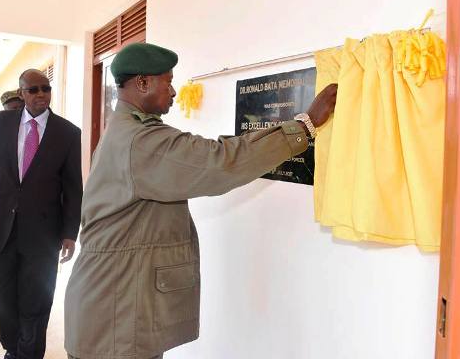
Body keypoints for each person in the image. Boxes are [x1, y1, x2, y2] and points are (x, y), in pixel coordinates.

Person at [64, 43, 338, 359]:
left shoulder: (126, 130)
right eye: (168, 81)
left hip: (115, 305)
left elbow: (212, 154)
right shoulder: (139, 141)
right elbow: (218, 162)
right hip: (116, 316)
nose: (175, 91)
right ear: (142, 83)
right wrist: (303, 126)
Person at [0, 69, 83, 359]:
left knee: (37, 301)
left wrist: (70, 233)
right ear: (21, 93)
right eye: (33, 89)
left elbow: (72, 187)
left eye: (46, 88)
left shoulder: (67, 133)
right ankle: (13, 347)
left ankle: (27, 353)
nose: (41, 93)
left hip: (43, 233)